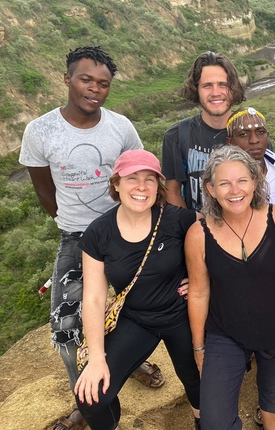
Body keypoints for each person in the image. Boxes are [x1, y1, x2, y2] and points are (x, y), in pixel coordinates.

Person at [18, 46, 164, 430]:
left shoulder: (121, 127)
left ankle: (125, 362)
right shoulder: (40, 131)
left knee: (137, 308)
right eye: (86, 79)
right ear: (67, 79)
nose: (94, 88)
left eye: (103, 83)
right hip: (78, 237)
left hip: (129, 229)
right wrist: (75, 223)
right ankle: (89, 402)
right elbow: (45, 192)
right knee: (67, 330)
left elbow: (139, 178)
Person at [185, 145, 275, 430]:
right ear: (211, 189)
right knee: (214, 421)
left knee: (271, 394)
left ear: (255, 182)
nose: (234, 190)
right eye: (224, 183)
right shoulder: (198, 235)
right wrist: (198, 346)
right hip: (225, 331)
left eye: (242, 180)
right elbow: (198, 292)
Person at [74, 149, 201, 430]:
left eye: (150, 179)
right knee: (91, 399)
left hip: (182, 315)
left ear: (158, 187)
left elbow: (219, 234)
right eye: (132, 178)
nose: (141, 187)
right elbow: (94, 298)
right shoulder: (99, 233)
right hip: (136, 319)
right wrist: (96, 357)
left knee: (197, 380)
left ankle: (202, 421)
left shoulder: (176, 219)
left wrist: (204, 279)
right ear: (116, 184)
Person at [162, 51, 246, 211]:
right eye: (207, 85)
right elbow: (172, 192)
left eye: (223, 85)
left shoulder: (252, 137)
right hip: (196, 230)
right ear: (196, 89)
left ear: (233, 88)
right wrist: (195, 227)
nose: (216, 92)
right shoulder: (177, 135)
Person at [225, 107, 275, 206]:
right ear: (230, 142)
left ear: (267, 135)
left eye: (260, 132)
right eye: (243, 134)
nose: (254, 140)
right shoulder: (222, 177)